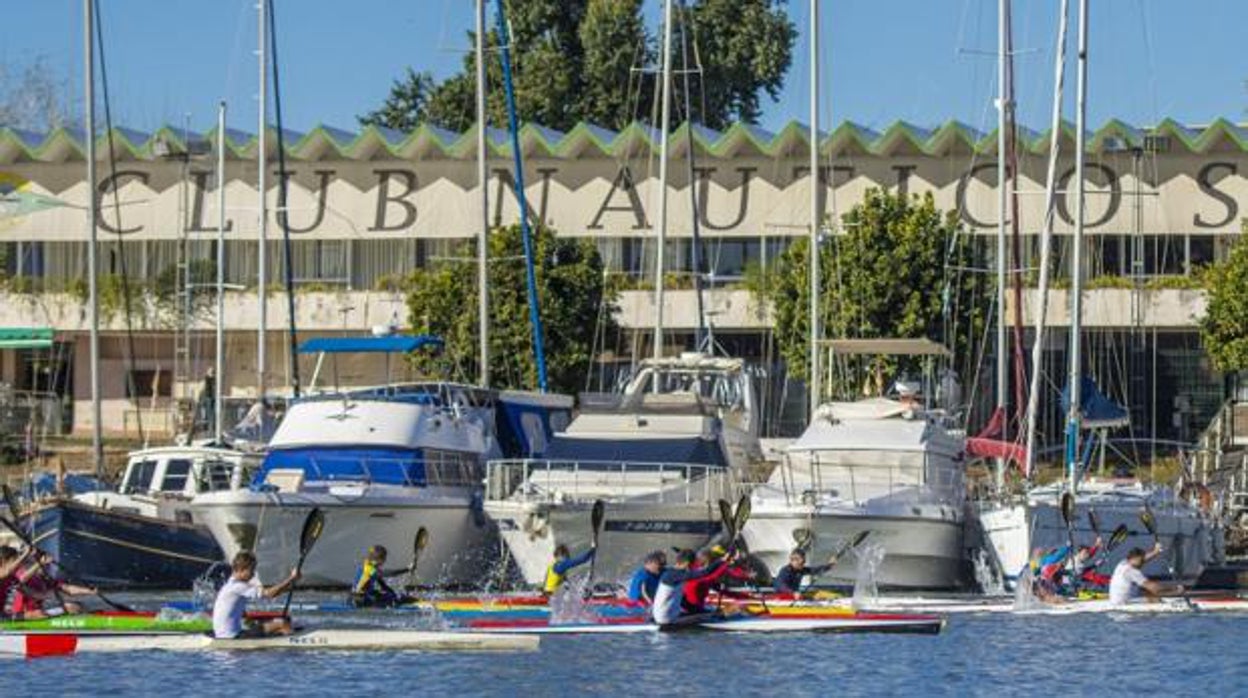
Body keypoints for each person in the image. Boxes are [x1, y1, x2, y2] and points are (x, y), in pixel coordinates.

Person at [212, 551, 299, 639]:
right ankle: (295, 645)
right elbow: (269, 594)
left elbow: (242, 615)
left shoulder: (229, 585)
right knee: (282, 623)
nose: (253, 574)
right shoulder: (238, 586)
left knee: (275, 627)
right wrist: (291, 578)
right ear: (241, 569)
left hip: (224, 635)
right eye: (251, 570)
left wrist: (289, 586)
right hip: (232, 636)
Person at [651, 549, 731, 628]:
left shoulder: (671, 573)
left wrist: (696, 610)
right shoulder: (675, 575)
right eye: (692, 565)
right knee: (712, 615)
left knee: (704, 612)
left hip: (662, 616)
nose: (692, 567)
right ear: (687, 563)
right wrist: (721, 560)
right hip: (666, 620)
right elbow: (704, 573)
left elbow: (681, 600)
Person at [9, 550, 96, 618]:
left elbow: (68, 589)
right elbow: (22, 578)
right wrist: (39, 563)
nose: (48, 567)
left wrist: (89, 591)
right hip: (21, 614)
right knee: (69, 607)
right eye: (46, 565)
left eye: (48, 565)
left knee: (77, 605)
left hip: (37, 613)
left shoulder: (46, 579)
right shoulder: (22, 574)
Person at [682, 548, 751, 614]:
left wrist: (745, 597)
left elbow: (721, 590)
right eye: (713, 562)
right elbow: (712, 577)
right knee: (739, 607)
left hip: (697, 607)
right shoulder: (695, 574)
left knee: (739, 606)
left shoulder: (700, 573)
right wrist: (726, 564)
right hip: (691, 609)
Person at [1108, 544, 1180, 605]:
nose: (1142, 564)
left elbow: (1144, 558)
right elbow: (1154, 588)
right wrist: (1173, 588)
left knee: (1146, 590)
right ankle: (1166, 601)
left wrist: (1155, 551)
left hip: (1115, 602)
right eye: (1141, 561)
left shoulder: (1122, 563)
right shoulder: (1132, 571)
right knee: (1151, 592)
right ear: (1134, 558)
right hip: (1125, 604)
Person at [773, 548, 837, 594]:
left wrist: (829, 565)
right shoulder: (785, 571)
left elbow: (815, 570)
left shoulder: (801, 570)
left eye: (804, 562)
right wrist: (792, 593)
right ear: (792, 560)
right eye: (801, 563)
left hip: (795, 596)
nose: (802, 565)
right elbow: (780, 585)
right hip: (782, 598)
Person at [0, 546, 33, 619]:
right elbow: (7, 572)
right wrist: (26, 553)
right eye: (14, 560)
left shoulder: (13, 578)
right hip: (2, 617)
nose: (18, 564)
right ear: (3, 561)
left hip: (4, 615)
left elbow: (31, 592)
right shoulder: (4, 573)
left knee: (37, 614)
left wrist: (49, 595)